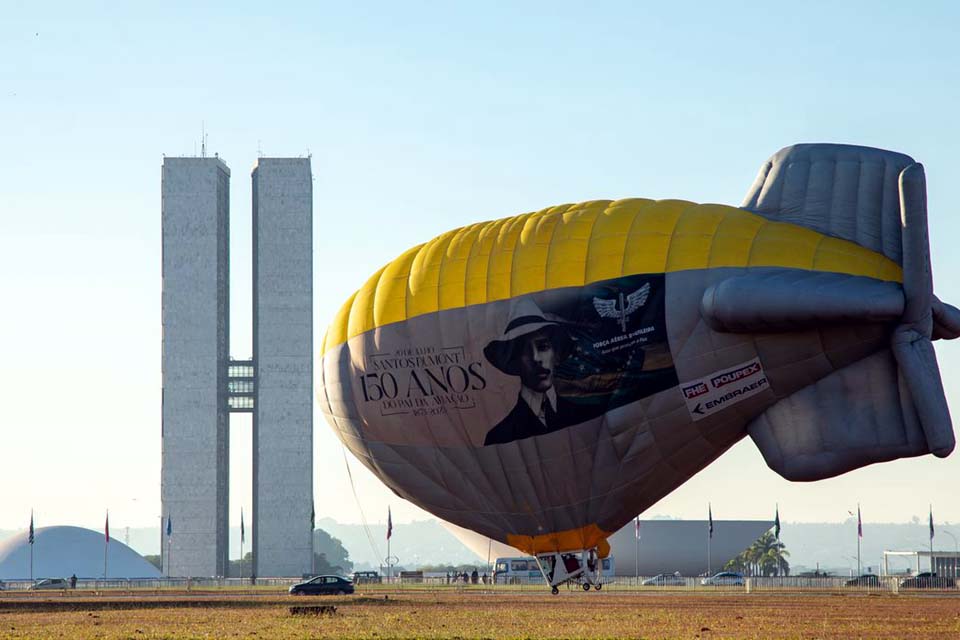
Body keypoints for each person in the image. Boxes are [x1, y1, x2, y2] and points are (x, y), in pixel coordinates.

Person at [483, 300, 586, 445]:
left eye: (543, 347)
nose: (536, 358)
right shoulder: (499, 437)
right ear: (514, 362)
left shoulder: (586, 415)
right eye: (524, 351)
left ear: (556, 354)